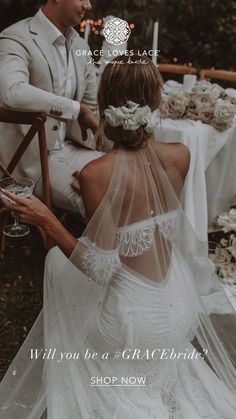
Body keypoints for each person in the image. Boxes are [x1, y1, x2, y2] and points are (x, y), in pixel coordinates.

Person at [0, 54, 236, 418]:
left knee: (53, 262)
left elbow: (100, 269)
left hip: (132, 325)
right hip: (179, 308)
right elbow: (143, 196)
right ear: (155, 103)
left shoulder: (97, 173)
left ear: (106, 106)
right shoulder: (181, 154)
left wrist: (45, 218)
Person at [0, 0, 103, 216]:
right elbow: (13, 92)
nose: (89, 5)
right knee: (99, 198)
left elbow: (92, 107)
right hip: (30, 161)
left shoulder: (80, 47)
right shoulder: (15, 37)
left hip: (74, 148)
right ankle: (86, 249)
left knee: (131, 180)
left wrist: (109, 148)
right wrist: (76, 109)